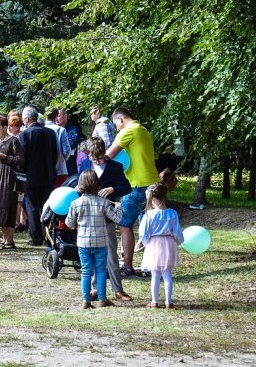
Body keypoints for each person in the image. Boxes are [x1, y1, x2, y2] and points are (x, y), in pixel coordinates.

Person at [106, 107, 160, 277]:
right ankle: (150, 266)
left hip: (136, 185)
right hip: (152, 183)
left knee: (125, 224)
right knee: (148, 227)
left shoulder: (128, 131)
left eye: (116, 124)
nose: (116, 128)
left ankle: (127, 267)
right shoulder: (143, 130)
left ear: (120, 119)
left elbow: (108, 155)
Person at [78, 137, 133, 302]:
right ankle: (95, 289)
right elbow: (79, 185)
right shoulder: (86, 165)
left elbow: (127, 187)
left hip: (107, 216)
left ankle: (118, 290)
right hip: (89, 216)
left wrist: (112, 189)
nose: (98, 161)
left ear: (104, 152)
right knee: (92, 255)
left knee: (111, 254)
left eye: (100, 158)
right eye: (94, 159)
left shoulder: (116, 166)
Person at [66, 170, 124, 309]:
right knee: (101, 270)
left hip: (83, 243)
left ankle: (86, 300)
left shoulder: (76, 203)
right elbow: (117, 218)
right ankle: (102, 298)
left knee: (86, 271)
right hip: (101, 242)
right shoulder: (104, 202)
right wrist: (119, 207)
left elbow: (69, 223)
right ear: (97, 184)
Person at [139, 183, 183, 309]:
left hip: (154, 244)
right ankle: (169, 302)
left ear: (152, 199)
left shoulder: (149, 215)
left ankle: (154, 301)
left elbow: (143, 233)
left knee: (155, 274)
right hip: (168, 243)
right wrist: (178, 241)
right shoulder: (173, 213)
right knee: (167, 274)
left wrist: (146, 243)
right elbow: (177, 232)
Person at [18, 106, 58, 246]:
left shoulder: (25, 134)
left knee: (33, 208)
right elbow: (55, 155)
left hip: (31, 177)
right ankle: (48, 236)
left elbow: (22, 157)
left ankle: (36, 238)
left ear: (27, 118)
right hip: (47, 175)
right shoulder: (50, 133)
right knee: (47, 207)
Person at [0, 115, 24, 249]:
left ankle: (10, 240)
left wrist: (5, 157)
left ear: (5, 127)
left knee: (8, 204)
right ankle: (4, 239)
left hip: (8, 176)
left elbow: (20, 160)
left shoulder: (13, 141)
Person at [45, 108, 72, 187]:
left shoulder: (40, 128)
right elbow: (67, 151)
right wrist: (62, 159)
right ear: (56, 117)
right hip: (60, 169)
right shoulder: (61, 130)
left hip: (44, 169)